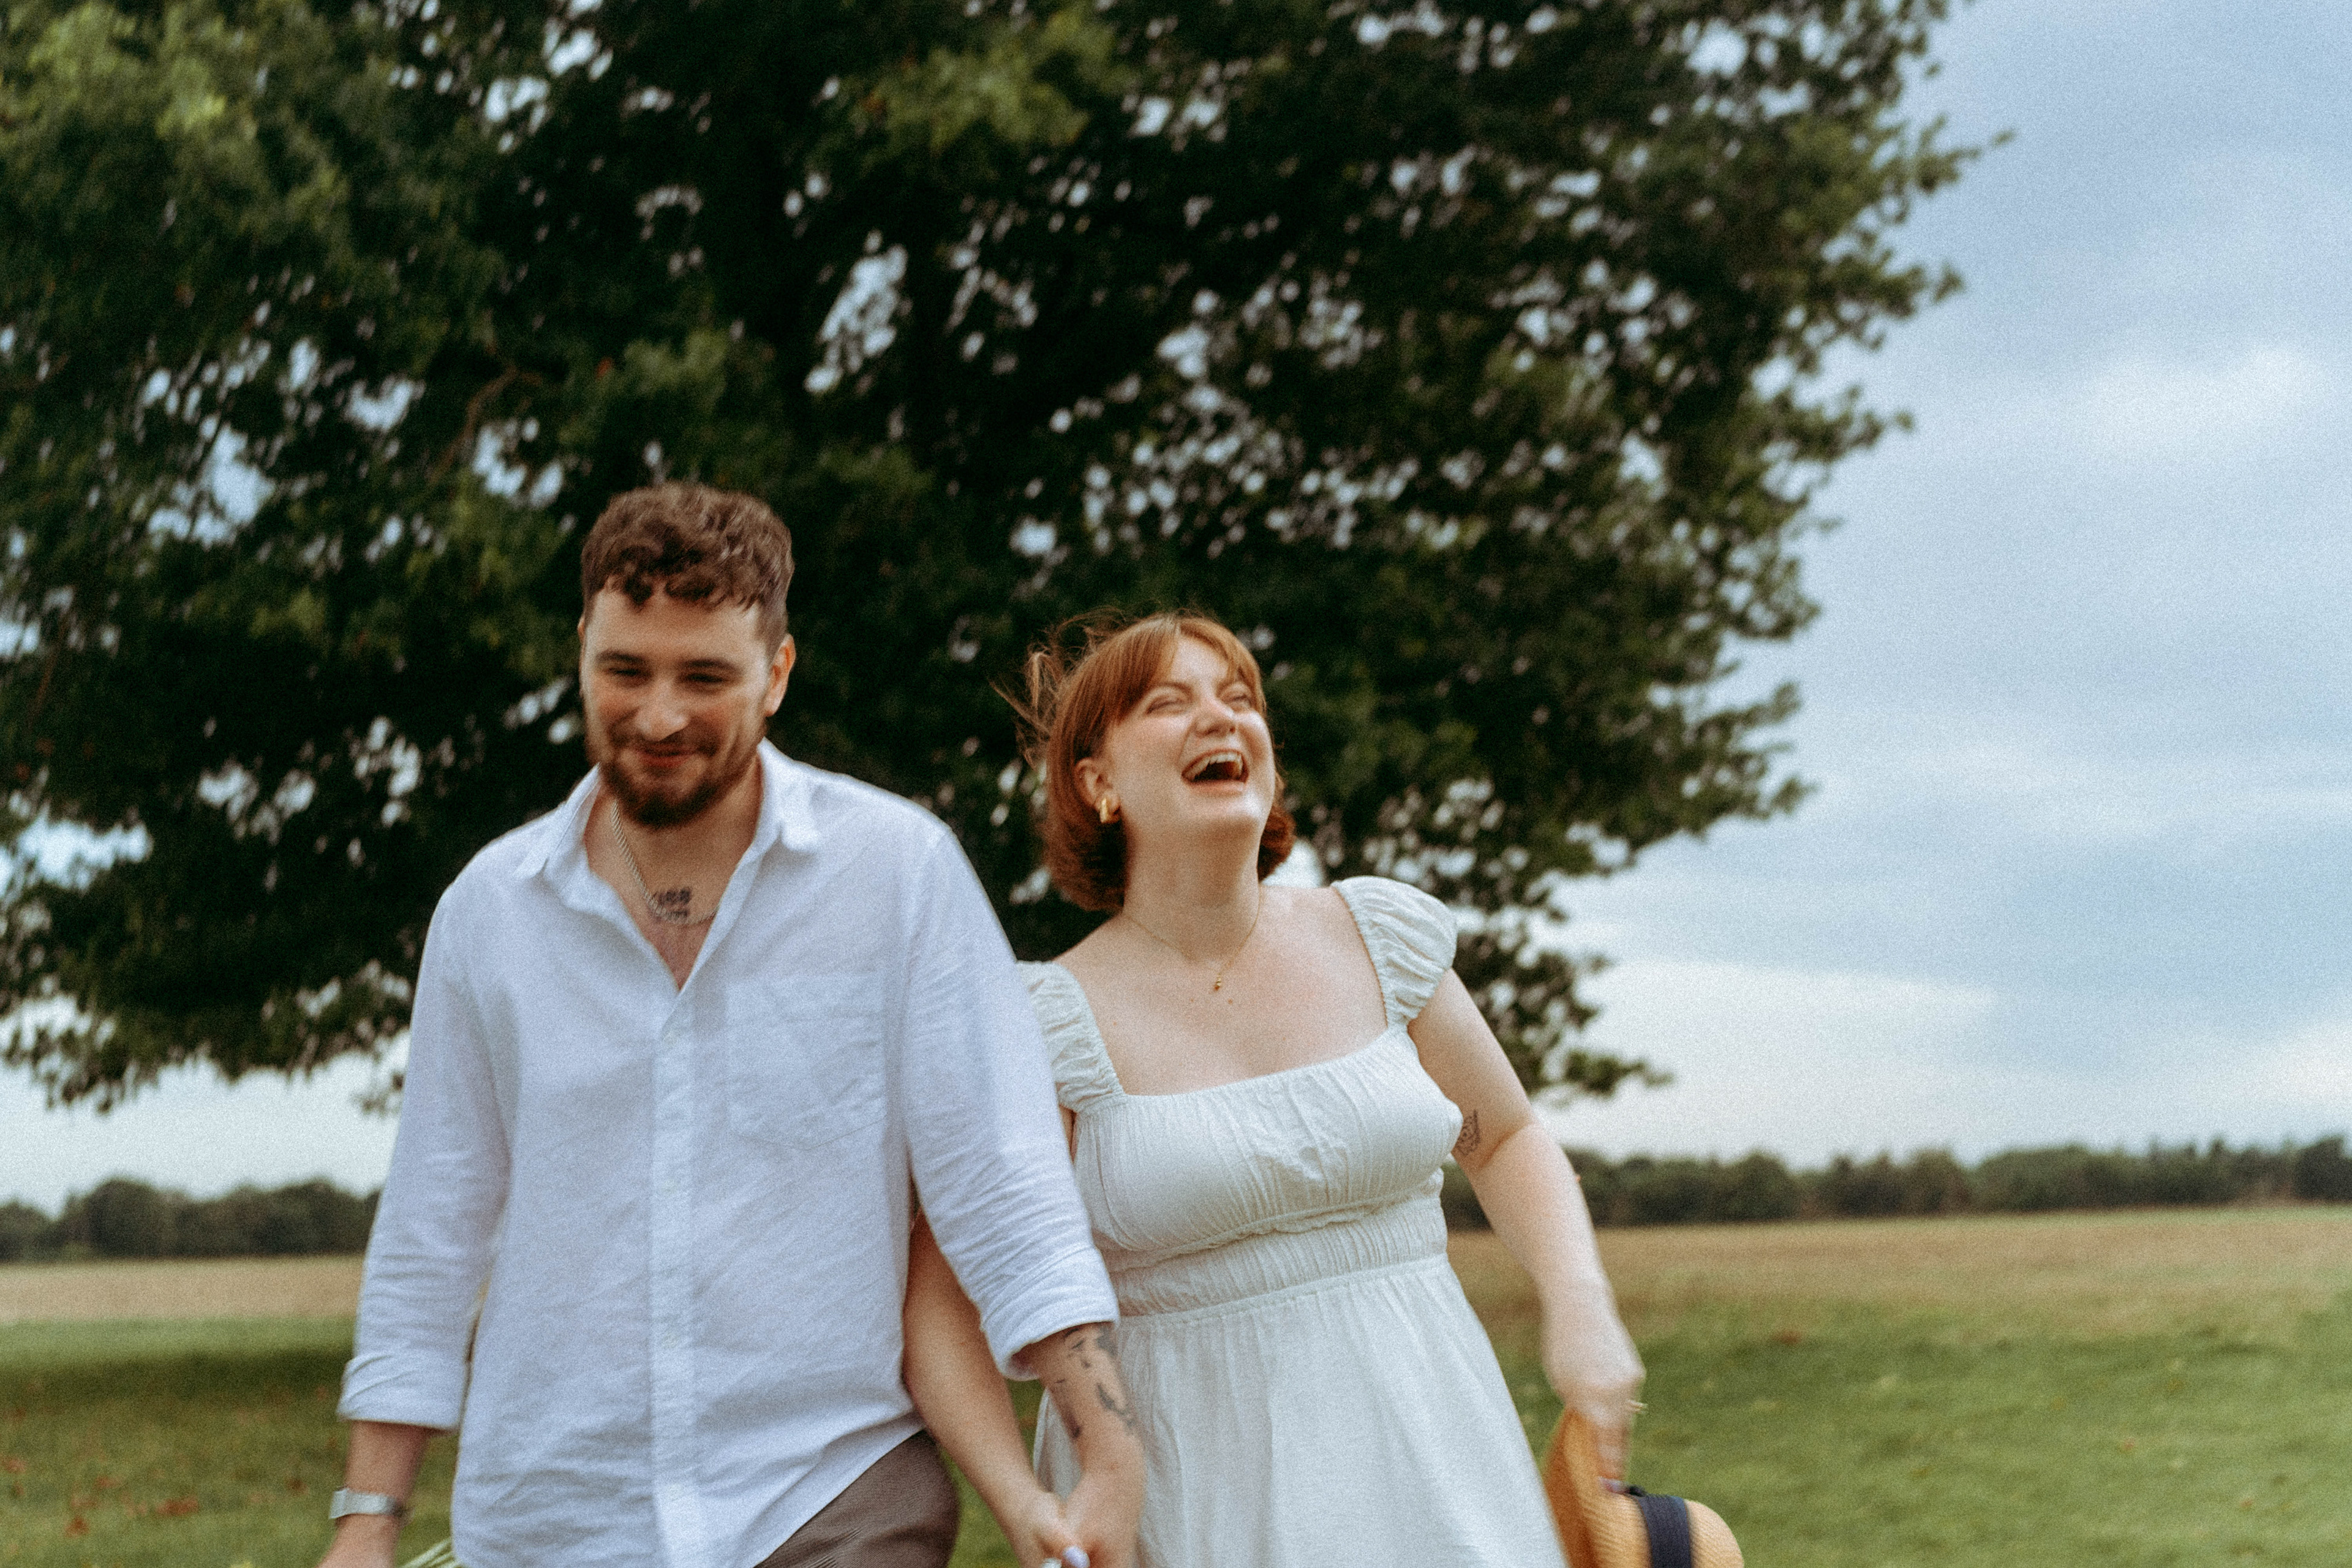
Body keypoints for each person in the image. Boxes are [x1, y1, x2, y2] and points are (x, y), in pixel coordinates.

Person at [318, 484, 1142, 1568]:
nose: (660, 716)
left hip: (834, 1495)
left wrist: (1108, 1456)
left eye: (705, 677)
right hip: (554, 1514)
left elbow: (1006, 1189)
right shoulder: (490, 910)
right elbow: (434, 1224)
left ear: (779, 674)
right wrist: (368, 1520)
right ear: (581, 653)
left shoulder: (898, 875)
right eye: (626, 671)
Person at [903, 611, 1645, 1566]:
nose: (1219, 719)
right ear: (1097, 785)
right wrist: (1026, 1504)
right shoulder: (1040, 1022)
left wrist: (1580, 1301)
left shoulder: (1381, 937)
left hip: (1436, 1449)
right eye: (1169, 704)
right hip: (1190, 1493)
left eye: (1240, 699)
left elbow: (1501, 1138)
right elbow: (940, 1303)